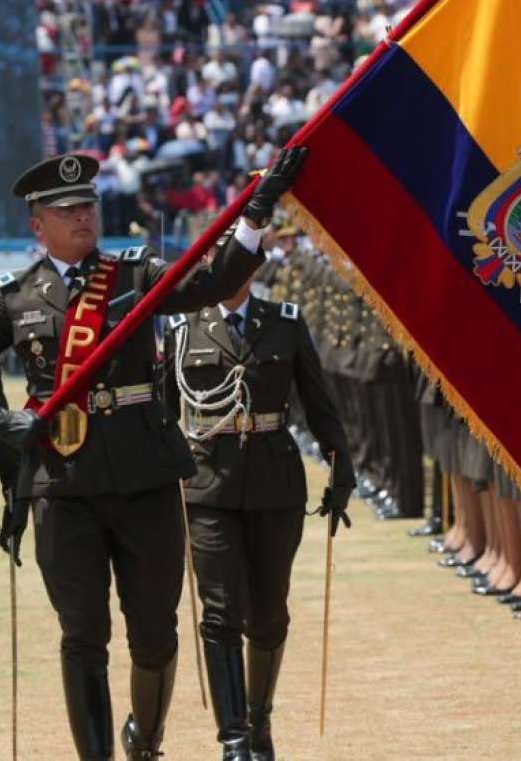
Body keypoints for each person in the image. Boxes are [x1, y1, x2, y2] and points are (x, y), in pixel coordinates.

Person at [0, 148, 305, 760]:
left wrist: (255, 214)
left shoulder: (133, 274)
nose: (83, 217)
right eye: (67, 210)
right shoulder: (12, 296)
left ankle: (146, 741)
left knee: (155, 634)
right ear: (37, 224)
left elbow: (215, 281)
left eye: (88, 206)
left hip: (145, 479)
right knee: (82, 635)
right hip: (64, 485)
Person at [163, 256, 356, 760]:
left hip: (275, 483)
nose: (237, 272)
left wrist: (343, 467)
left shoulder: (286, 322)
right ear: (210, 265)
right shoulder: (183, 329)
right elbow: (164, 417)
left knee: (268, 614)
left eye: (246, 263)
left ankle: (259, 716)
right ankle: (234, 737)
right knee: (221, 610)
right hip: (208, 484)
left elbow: (319, 402)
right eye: (226, 262)